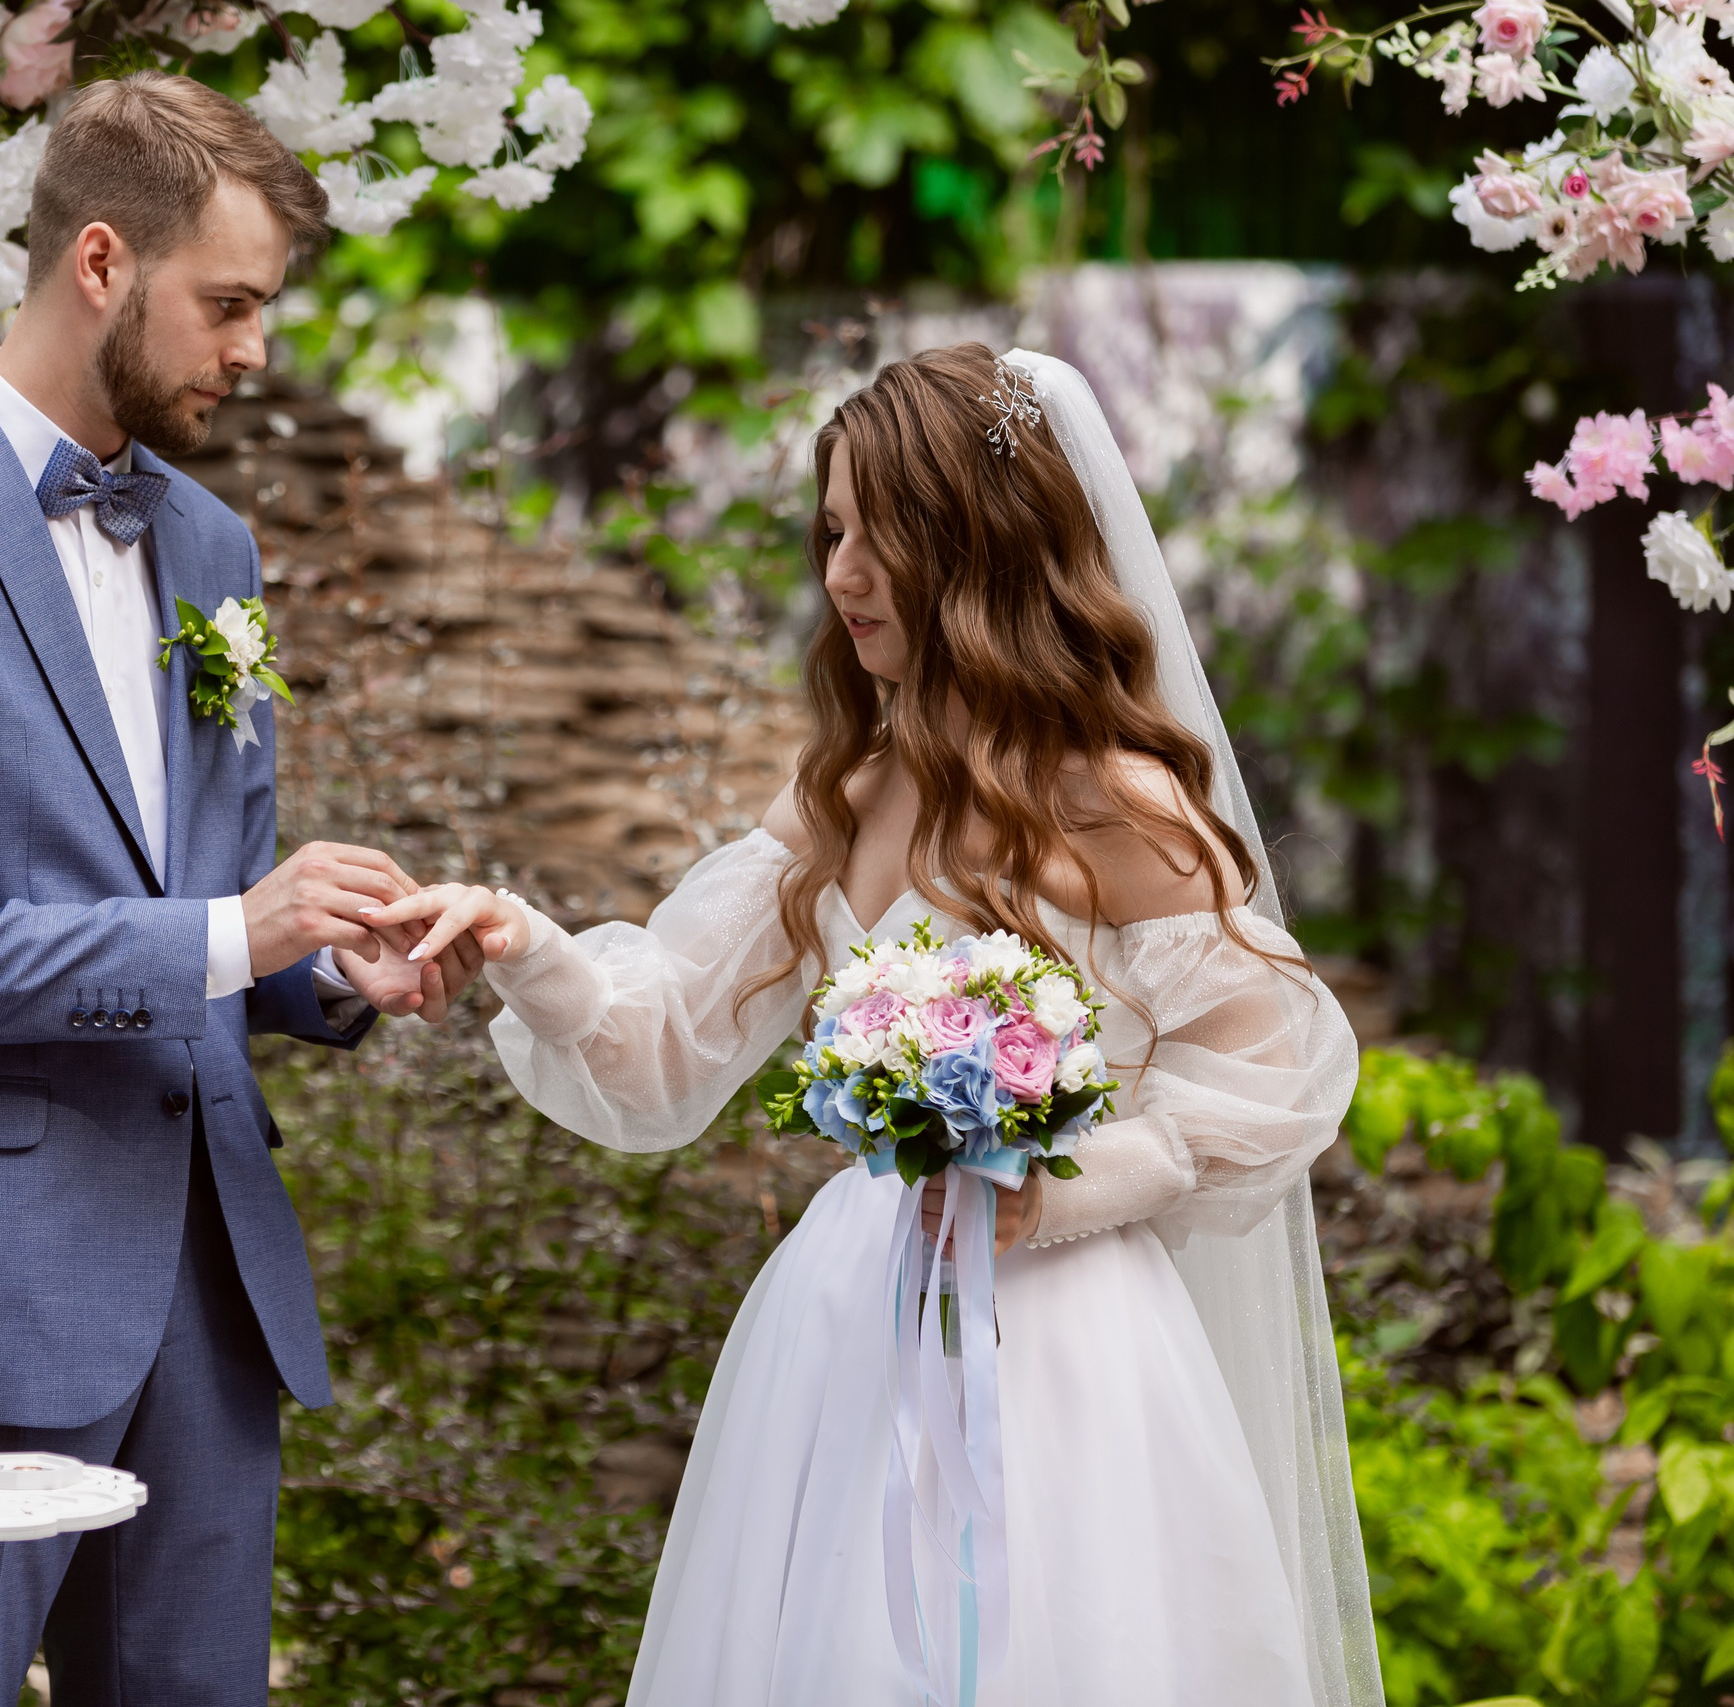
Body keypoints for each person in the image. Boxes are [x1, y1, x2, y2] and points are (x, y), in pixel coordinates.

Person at [371, 347, 1383, 1706]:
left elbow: (1273, 1074)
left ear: (978, 545)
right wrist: (524, 947)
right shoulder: (845, 798)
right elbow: (661, 1051)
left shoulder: (1118, 801)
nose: (840, 574)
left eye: (875, 535)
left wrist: (1065, 1184)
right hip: (847, 1327)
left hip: (1063, 1342)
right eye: (830, 532)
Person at [0, 71, 478, 1707]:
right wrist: (229, 932)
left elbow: (210, 907)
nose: (254, 351)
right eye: (229, 303)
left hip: (210, 1301)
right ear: (100, 261)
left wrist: (327, 968)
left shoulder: (211, 546)